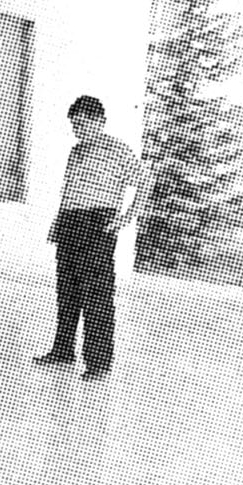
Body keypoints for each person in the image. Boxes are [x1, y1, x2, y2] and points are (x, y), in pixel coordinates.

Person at [34, 96, 152, 381]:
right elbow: (70, 191)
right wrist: (58, 223)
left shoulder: (116, 149)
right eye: (75, 125)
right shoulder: (75, 151)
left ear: (100, 122)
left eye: (84, 124)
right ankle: (63, 350)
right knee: (67, 292)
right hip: (70, 223)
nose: (79, 130)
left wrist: (126, 217)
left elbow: (146, 182)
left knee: (96, 294)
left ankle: (98, 362)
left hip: (97, 224)